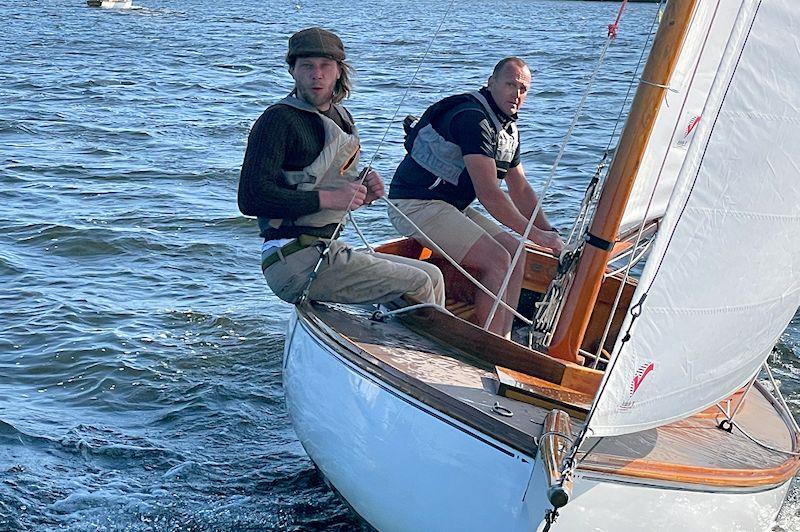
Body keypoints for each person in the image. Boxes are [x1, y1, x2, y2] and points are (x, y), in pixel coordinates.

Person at [238, 27, 444, 307]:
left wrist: (362, 191)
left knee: (432, 274)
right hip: (293, 259)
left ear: (338, 71)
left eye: (325, 66)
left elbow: (325, 183)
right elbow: (251, 198)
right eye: (307, 66)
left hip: (326, 249)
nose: (316, 74)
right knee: (418, 282)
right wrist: (331, 198)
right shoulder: (277, 121)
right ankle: (425, 350)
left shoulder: (342, 118)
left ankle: (402, 342)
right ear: (292, 71)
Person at [387, 57, 562, 336]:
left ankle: (502, 339)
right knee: (497, 259)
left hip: (449, 207)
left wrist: (548, 232)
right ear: (491, 83)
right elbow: (489, 194)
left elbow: (520, 189)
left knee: (516, 252)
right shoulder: (473, 119)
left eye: (523, 89)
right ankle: (486, 344)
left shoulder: (506, 128)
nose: (517, 94)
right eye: (510, 85)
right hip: (414, 204)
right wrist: (537, 236)